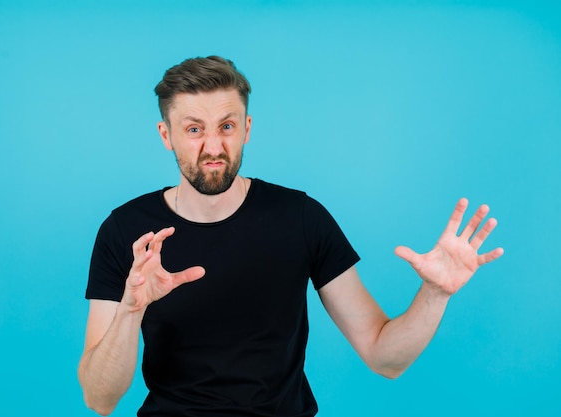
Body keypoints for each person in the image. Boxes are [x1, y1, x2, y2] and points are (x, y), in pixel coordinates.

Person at [78, 56, 504, 417]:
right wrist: (130, 311)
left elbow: (383, 357)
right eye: (193, 129)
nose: (212, 146)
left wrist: (435, 294)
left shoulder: (300, 217)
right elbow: (100, 399)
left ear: (246, 128)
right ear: (165, 135)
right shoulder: (126, 232)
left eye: (226, 127)